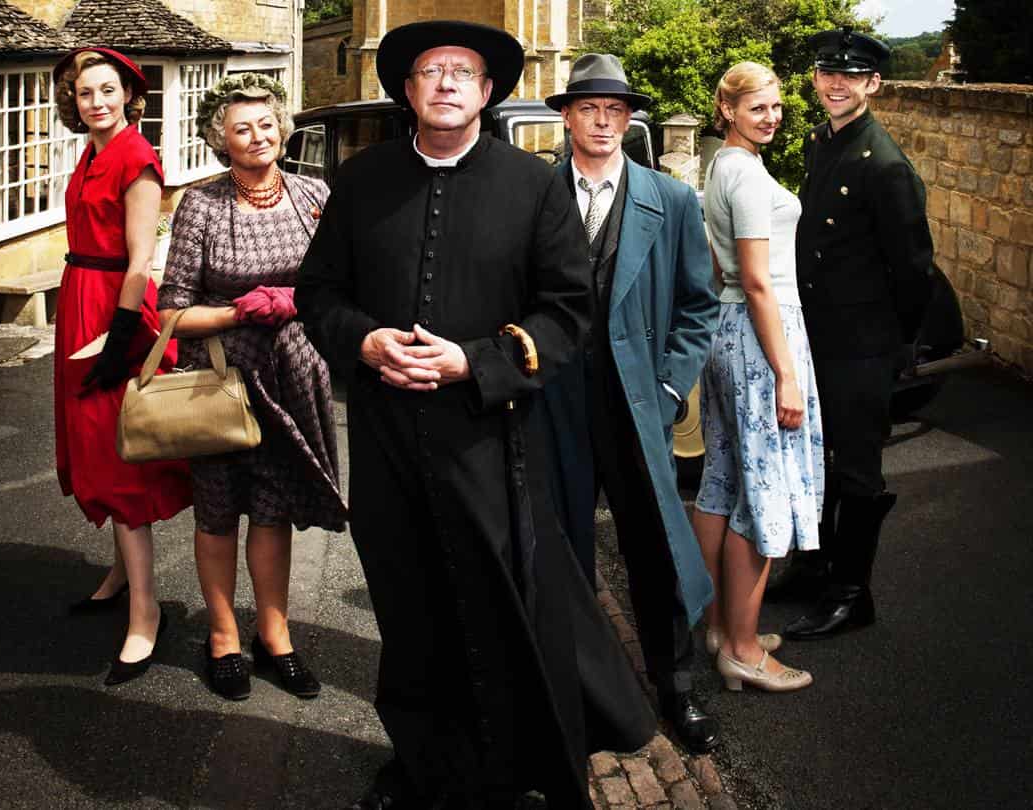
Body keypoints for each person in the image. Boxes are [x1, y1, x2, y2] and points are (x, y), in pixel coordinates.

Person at [297, 21, 655, 810]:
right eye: (432, 71)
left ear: (488, 92)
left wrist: (476, 361)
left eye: (464, 71)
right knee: (409, 607)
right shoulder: (362, 180)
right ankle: (422, 765)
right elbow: (316, 293)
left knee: (497, 608)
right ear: (408, 90)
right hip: (387, 438)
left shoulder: (533, 186)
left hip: (490, 440)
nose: (448, 82)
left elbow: (567, 312)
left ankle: (509, 770)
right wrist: (365, 342)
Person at [540, 54, 722, 749]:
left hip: (638, 402)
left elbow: (698, 306)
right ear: (567, 117)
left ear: (628, 119)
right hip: (556, 404)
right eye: (589, 109)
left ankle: (676, 688)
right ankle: (580, 694)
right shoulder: (537, 195)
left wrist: (671, 385)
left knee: (655, 546)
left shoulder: (670, 200)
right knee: (564, 551)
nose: (603, 122)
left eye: (615, 110)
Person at [157, 73, 346, 701]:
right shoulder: (201, 205)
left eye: (267, 124)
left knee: (273, 510)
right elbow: (171, 312)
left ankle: (274, 634)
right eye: (242, 128)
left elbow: (338, 287)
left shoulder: (314, 194)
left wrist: (300, 301)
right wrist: (240, 311)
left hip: (293, 377)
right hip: (221, 384)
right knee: (217, 512)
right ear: (222, 139)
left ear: (282, 129)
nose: (258, 136)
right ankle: (222, 637)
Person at [774, 28, 934, 640]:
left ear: (874, 83)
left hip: (863, 343)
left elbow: (913, 267)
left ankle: (851, 593)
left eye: (851, 75)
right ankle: (813, 567)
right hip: (818, 333)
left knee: (858, 467)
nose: (836, 83)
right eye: (827, 72)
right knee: (817, 456)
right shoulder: (822, 141)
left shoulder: (885, 165)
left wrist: (898, 347)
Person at [53, 47, 192, 686]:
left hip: (115, 308)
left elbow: (140, 259)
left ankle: (146, 611)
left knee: (120, 459)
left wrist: (120, 340)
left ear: (130, 95)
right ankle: (120, 574)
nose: (97, 102)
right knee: (93, 445)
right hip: (79, 301)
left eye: (108, 90)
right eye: (86, 93)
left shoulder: (136, 156)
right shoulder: (91, 152)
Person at [690, 61, 820, 692]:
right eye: (757, 108)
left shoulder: (723, 165)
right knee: (762, 489)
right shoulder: (743, 174)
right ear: (728, 110)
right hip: (761, 333)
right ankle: (743, 651)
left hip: (731, 328)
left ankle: (720, 627)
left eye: (776, 106)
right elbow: (757, 280)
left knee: (721, 479)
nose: (771, 117)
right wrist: (786, 375)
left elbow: (720, 271)